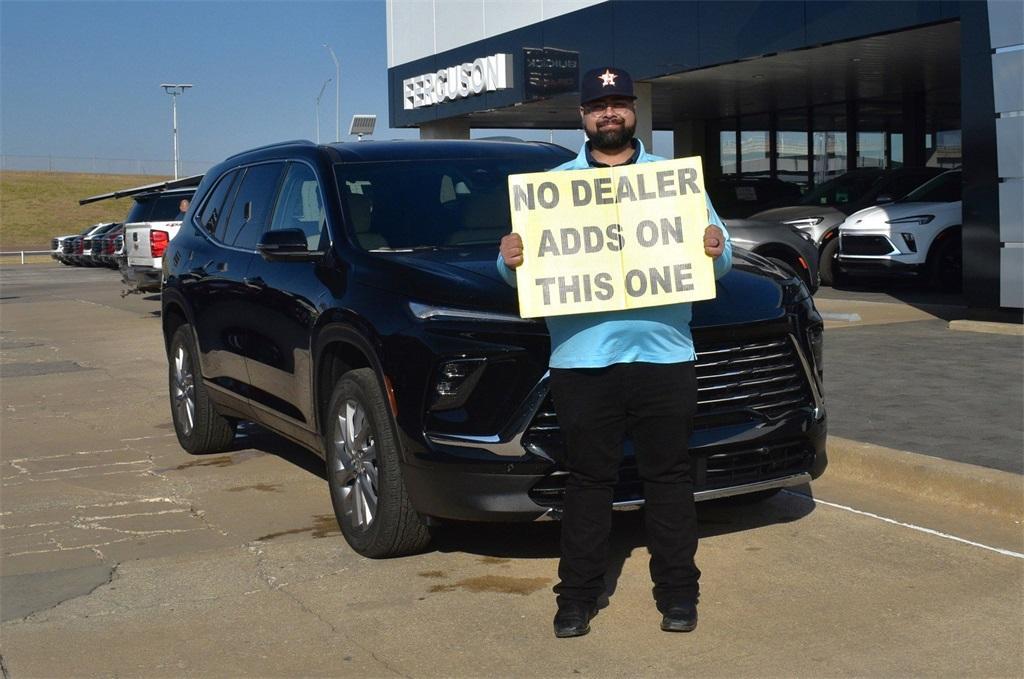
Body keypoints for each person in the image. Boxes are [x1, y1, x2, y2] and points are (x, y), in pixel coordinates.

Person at [497, 66, 732, 638]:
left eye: (619, 103)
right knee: (587, 482)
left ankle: (678, 595)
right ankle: (575, 598)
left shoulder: (673, 183)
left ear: (632, 112)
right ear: (582, 116)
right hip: (583, 359)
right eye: (599, 105)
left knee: (670, 478)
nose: (610, 113)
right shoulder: (552, 189)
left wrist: (714, 247)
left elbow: (718, 264)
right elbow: (514, 274)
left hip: (664, 353)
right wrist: (510, 258)